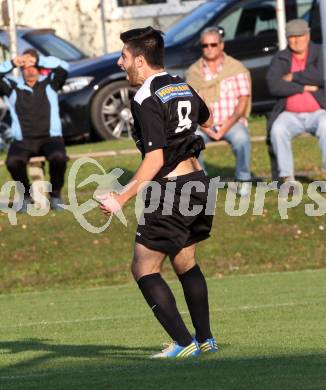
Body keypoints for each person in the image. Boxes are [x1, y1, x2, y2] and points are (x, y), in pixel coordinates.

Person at [99, 26, 217, 358]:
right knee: (185, 261)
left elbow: (155, 158)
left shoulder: (144, 97)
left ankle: (183, 343)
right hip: (199, 184)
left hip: (173, 190)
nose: (120, 63)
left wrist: (119, 198)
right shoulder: (182, 84)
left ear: (140, 59)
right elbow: (207, 119)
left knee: (143, 267)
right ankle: (205, 339)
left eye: (123, 56)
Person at [0, 49, 69, 211]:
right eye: (25, 67)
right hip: (23, 140)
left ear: (38, 68)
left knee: (59, 157)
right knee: (12, 162)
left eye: (33, 66)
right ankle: (25, 196)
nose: (29, 70)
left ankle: (56, 195)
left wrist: (38, 60)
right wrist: (12, 63)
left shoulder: (51, 83)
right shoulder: (13, 87)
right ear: (21, 70)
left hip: (51, 138)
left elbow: (64, 67)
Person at [186, 26, 252, 195]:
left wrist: (225, 126)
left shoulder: (236, 68)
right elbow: (191, 106)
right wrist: (207, 127)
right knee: (192, 141)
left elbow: (243, 101)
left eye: (213, 45)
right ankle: (202, 181)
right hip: (204, 125)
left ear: (221, 45)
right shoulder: (193, 73)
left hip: (232, 121)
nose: (209, 49)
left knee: (241, 138)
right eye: (205, 45)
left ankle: (243, 179)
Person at [266, 19, 326, 183]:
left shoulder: (321, 52)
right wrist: (304, 87)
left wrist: (293, 77)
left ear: (307, 35)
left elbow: (322, 76)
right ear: (287, 38)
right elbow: (274, 85)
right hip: (289, 114)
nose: (296, 40)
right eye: (292, 36)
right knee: (278, 129)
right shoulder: (281, 58)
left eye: (300, 35)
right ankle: (287, 179)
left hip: (319, 111)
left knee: (325, 125)